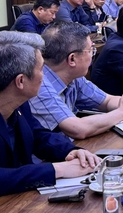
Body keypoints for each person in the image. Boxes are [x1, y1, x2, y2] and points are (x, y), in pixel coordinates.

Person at [0, 31, 100, 196]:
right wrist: (56, 169)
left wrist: (69, 151)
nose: (44, 76)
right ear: (20, 81)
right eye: (41, 69)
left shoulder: (20, 103)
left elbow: (38, 135)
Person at [28, 22, 123, 140]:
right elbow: (78, 129)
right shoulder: (39, 85)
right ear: (72, 59)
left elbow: (107, 101)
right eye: (90, 51)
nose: (92, 55)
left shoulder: (74, 77)